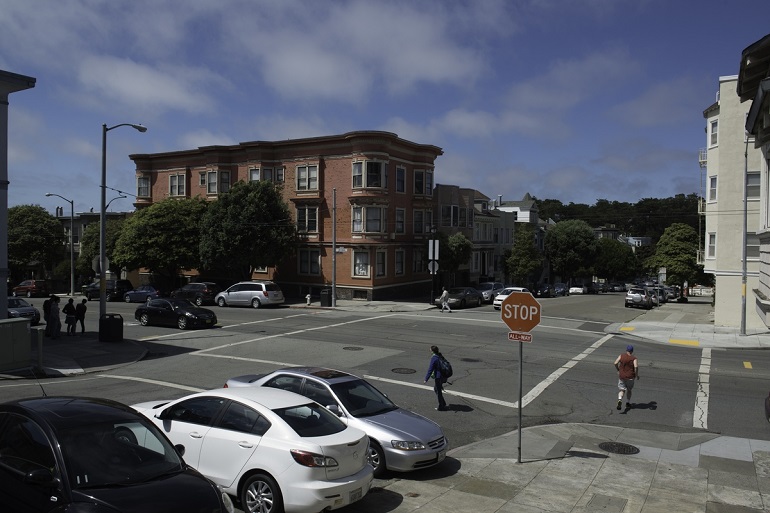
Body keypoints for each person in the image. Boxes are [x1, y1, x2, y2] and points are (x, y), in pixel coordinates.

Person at [614, 344, 639, 410]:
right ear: (632, 351)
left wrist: (618, 370)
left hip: (622, 376)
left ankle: (619, 400)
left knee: (622, 390)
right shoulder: (634, 358)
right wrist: (636, 375)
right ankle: (627, 403)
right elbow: (636, 367)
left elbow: (615, 363)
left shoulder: (621, 356)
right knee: (629, 390)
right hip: (630, 377)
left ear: (627, 350)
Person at [423, 345, 448, 411]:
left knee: (437, 390)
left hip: (438, 377)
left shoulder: (434, 358)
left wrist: (426, 379)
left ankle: (441, 406)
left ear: (432, 351)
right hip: (443, 376)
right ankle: (443, 403)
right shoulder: (440, 355)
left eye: (430, 349)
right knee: (437, 389)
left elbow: (430, 369)